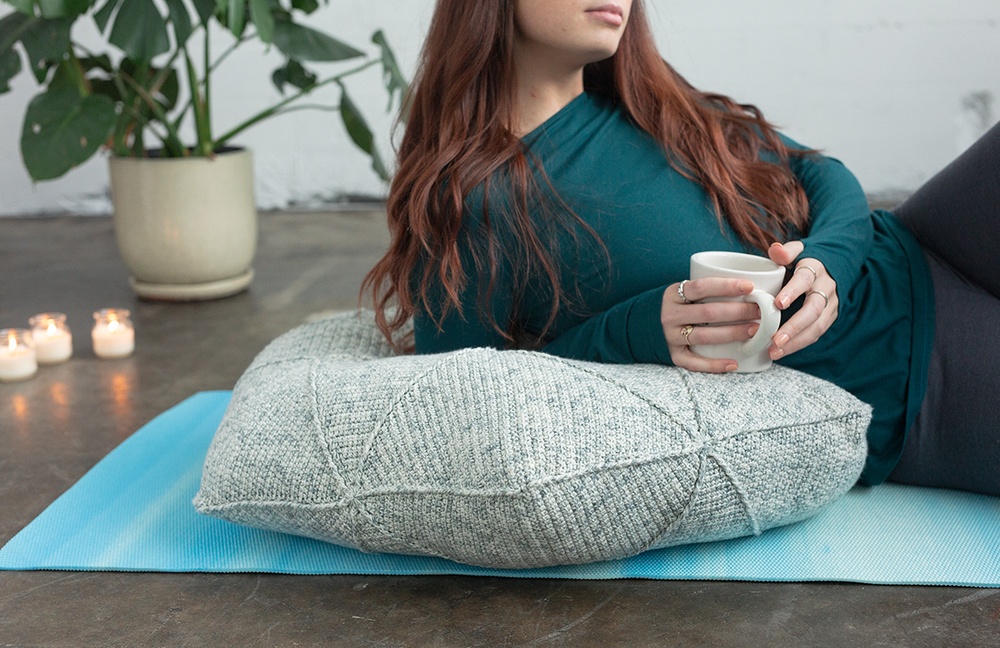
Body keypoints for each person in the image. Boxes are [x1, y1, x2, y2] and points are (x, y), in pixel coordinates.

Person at [362, 0, 1000, 496]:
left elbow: (818, 171)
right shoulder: (470, 203)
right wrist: (639, 329)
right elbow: (462, 407)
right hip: (914, 372)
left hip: (920, 234)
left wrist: (828, 259)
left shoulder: (650, 102)